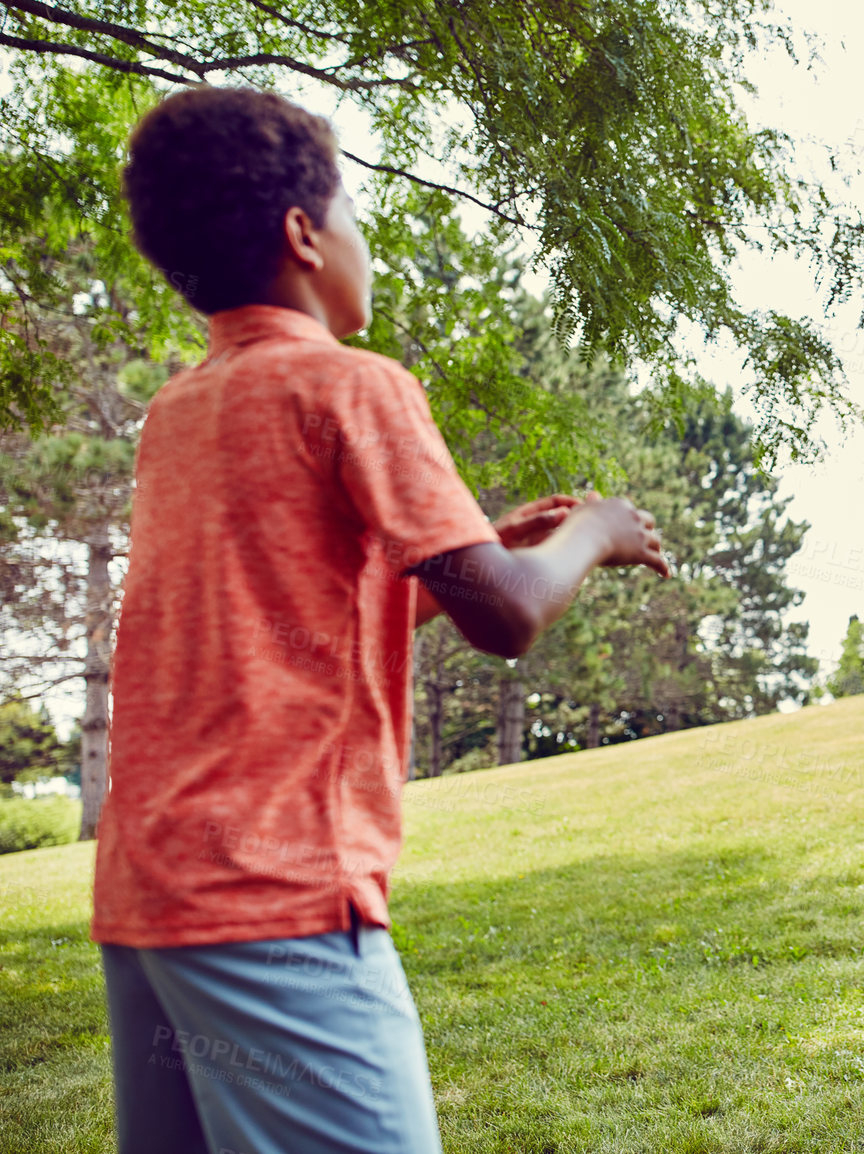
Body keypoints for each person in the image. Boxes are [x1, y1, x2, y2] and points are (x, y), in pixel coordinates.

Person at [92, 85, 668, 1154]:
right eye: (351, 209)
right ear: (304, 233)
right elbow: (508, 615)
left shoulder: (181, 410)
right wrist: (590, 532)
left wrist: (464, 546)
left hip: (149, 899)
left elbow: (290, 620)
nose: (363, 236)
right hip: (278, 897)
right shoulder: (352, 384)